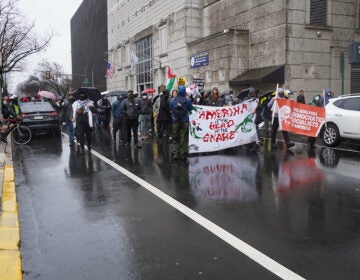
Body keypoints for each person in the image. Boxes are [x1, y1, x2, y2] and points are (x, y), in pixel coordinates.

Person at [170, 86, 193, 160]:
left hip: (175, 120)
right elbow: (190, 109)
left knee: (175, 137)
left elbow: (171, 109)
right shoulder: (187, 100)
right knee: (184, 137)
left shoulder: (173, 100)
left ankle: (175, 153)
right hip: (184, 120)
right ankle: (184, 153)